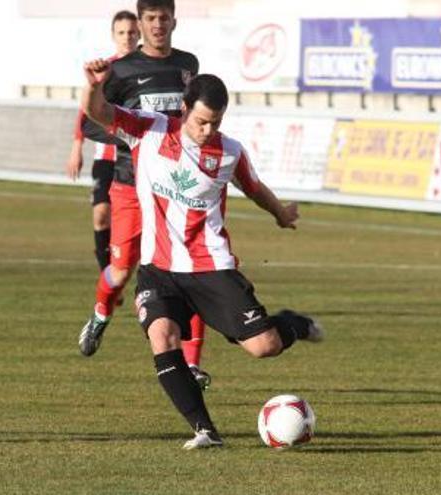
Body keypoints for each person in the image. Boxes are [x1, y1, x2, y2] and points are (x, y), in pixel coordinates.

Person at [82, 64, 325, 449]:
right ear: (183, 109)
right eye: (201, 122)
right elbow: (100, 113)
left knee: (264, 347)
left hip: (210, 267)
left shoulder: (229, 152)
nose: (208, 130)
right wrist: (93, 86)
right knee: (162, 337)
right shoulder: (148, 129)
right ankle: (205, 430)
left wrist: (280, 214)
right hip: (158, 268)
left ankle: (293, 324)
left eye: (215, 122)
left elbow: (254, 187)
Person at [77, 0, 211, 390]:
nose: (157, 25)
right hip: (130, 185)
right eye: (150, 19)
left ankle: (192, 364)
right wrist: (135, 134)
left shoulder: (188, 65)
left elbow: (195, 118)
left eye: (163, 18)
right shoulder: (120, 69)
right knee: (120, 270)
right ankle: (102, 313)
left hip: (177, 188)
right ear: (140, 22)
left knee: (193, 267)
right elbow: (92, 124)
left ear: (174, 21)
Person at [66, 10, 139, 272]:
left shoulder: (149, 67)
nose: (127, 38)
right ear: (113, 36)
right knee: (100, 214)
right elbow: (85, 109)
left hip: (139, 157)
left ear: (139, 33)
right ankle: (106, 274)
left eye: (131, 32)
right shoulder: (106, 69)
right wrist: (77, 146)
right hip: (106, 155)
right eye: (121, 33)